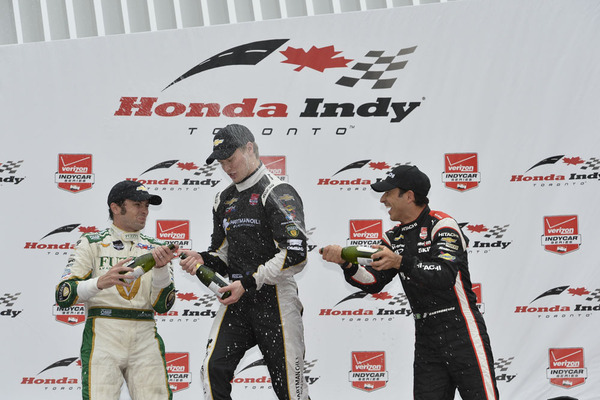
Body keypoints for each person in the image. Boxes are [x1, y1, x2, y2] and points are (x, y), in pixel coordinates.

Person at [320, 165, 499, 400]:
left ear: (409, 196)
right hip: (426, 337)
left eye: (388, 193)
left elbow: (444, 274)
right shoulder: (393, 238)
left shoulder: (443, 225)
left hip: (461, 330)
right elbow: (373, 281)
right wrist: (346, 263)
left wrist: (400, 262)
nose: (383, 199)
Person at [179, 124, 310, 400]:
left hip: (276, 301)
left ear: (249, 148)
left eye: (231, 159)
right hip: (238, 302)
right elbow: (222, 254)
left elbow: (296, 254)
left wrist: (249, 282)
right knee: (212, 370)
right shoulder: (223, 198)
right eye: (221, 163)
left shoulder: (277, 191)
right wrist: (202, 258)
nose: (227, 168)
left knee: (291, 391)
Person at [55, 180, 178, 400]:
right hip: (103, 333)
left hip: (145, 334)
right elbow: (64, 294)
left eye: (147, 205)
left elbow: (163, 306)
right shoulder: (91, 242)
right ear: (115, 207)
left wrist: (160, 270)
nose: (144, 211)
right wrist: (100, 282)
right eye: (137, 204)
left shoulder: (157, 249)